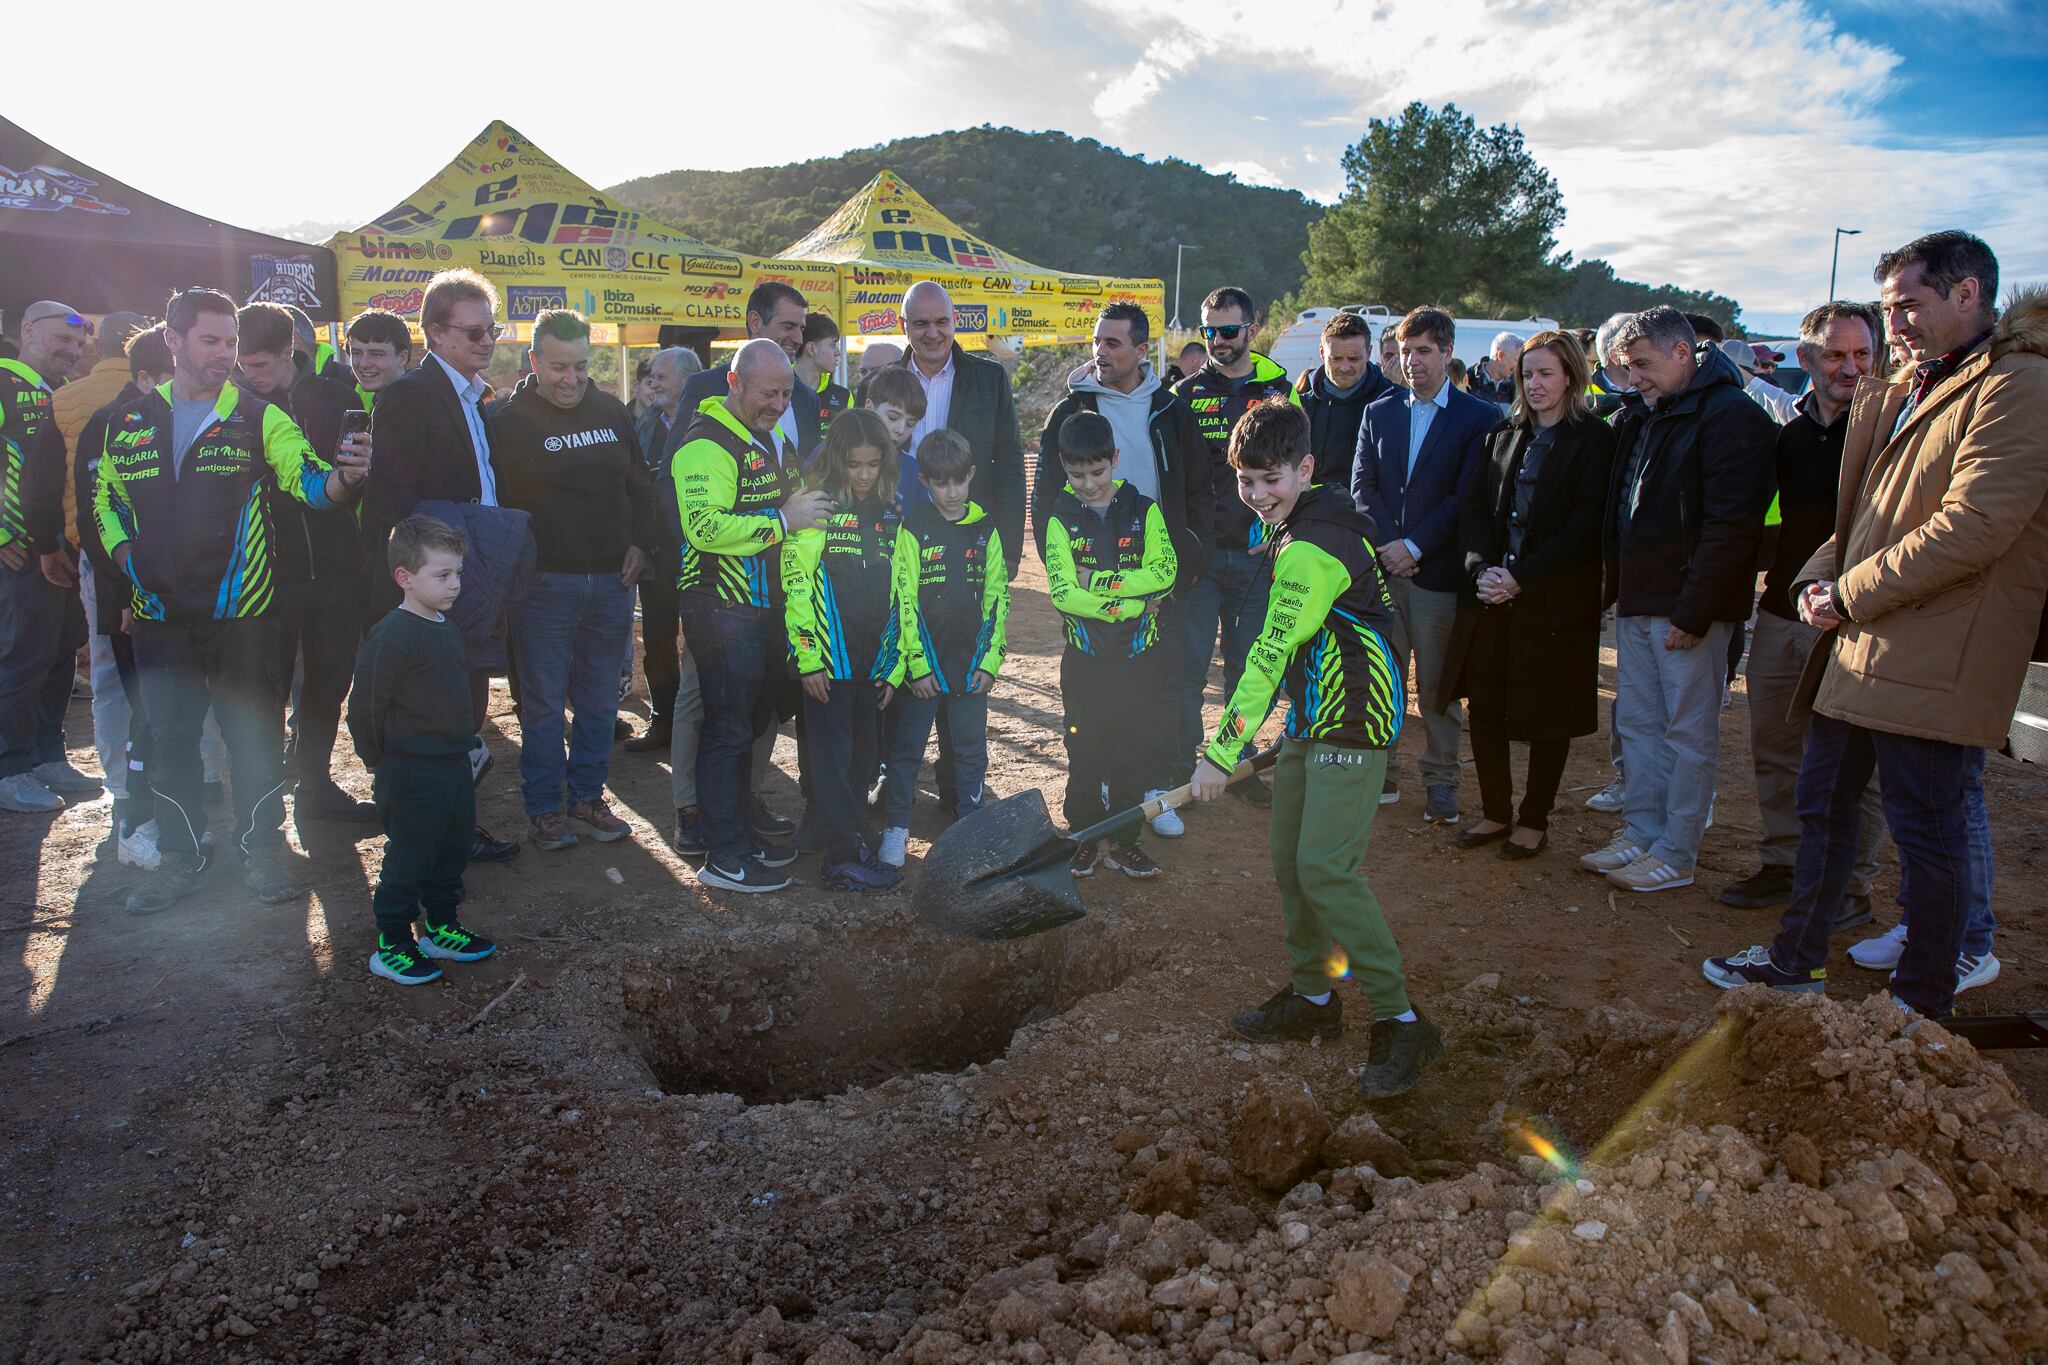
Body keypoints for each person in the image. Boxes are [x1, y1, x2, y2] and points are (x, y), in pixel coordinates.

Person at [1706, 232, 2047, 1018]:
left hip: (1938, 656)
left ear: (1968, 295)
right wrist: (1817, 579)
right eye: (1888, 305)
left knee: (1928, 834)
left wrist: (1847, 594)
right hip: (1862, 646)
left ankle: (1921, 1003)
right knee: (1823, 807)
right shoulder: (1913, 384)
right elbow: (1864, 516)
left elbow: (1975, 526)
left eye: (1907, 304)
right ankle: (1795, 961)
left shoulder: (2016, 384)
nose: (1892, 322)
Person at [1185, 399, 1438, 1099]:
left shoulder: (1312, 548)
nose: (1258, 495)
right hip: (1314, 714)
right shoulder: (1303, 521)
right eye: (1245, 480)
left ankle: (1402, 1019)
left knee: (1326, 867)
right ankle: (1313, 998)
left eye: (1271, 479)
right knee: (1290, 863)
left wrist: (1222, 752)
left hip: (1353, 720)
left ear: (1304, 468)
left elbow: (1266, 655)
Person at [93, 287, 370, 912]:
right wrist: (125, 560)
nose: (225, 355)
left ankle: (261, 853)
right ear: (173, 340)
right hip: (160, 617)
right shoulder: (127, 420)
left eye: (231, 343)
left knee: (253, 740)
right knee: (169, 742)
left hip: (243, 613)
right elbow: (107, 501)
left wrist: (345, 478)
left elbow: (307, 481)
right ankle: (180, 860)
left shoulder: (258, 415)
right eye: (210, 341)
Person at [1585, 306, 1775, 893]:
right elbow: (1625, 513)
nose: (1632, 377)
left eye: (1641, 364)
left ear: (1682, 353)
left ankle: (1676, 850)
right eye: (1624, 367)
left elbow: (1733, 527)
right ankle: (1642, 834)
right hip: (1642, 602)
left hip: (1688, 611)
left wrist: (1695, 611)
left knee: (1686, 736)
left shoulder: (1731, 417)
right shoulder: (1647, 414)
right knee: (1639, 726)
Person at [1719, 301, 1888, 921]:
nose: (1851, 367)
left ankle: (1849, 887)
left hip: (1855, 618)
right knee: (1776, 746)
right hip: (1783, 613)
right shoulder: (1788, 435)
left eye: (1862, 354)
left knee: (1849, 763)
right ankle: (1786, 864)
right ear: (1807, 359)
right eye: (1838, 355)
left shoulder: (1889, 435)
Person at [359, 269, 521, 866]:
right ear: (434, 333)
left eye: (492, 329)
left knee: (463, 711)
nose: (486, 341)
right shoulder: (409, 394)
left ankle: (453, 829)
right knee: (428, 720)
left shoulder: (475, 398)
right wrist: (418, 587)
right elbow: (390, 500)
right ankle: (422, 840)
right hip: (430, 581)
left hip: (465, 576)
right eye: (473, 331)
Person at [1034, 301, 1211, 837]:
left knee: (1160, 689)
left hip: (1158, 586)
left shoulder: (1172, 410)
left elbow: (1199, 494)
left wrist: (1178, 573)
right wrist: (1068, 569)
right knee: (1096, 699)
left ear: (1141, 349)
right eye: (1097, 341)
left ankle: (1155, 790)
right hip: (1088, 596)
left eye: (1113, 343)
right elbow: (1044, 502)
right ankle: (1102, 790)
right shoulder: (1068, 411)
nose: (1100, 352)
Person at [1439, 331, 1618, 859]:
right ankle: (1495, 811)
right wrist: (1482, 571)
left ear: (1571, 377)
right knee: (1486, 708)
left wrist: (1523, 577)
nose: (1535, 384)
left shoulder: (1596, 441)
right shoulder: (1500, 435)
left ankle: (1533, 818)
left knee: (1547, 714)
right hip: (1492, 596)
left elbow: (1586, 527)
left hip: (1555, 601)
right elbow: (1473, 513)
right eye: (1528, 373)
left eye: (1546, 373)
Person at [672, 338, 832, 891]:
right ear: (734, 383)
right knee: (726, 730)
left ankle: (737, 833)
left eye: (787, 393)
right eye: (769, 392)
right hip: (718, 607)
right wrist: (783, 521)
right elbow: (705, 529)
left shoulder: (762, 438)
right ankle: (722, 856)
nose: (779, 403)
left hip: (763, 609)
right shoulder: (703, 446)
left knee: (750, 726)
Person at [491, 309, 654, 851]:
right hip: (543, 586)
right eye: (558, 367)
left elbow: (640, 485)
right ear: (534, 361)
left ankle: (586, 797)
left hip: (611, 580)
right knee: (540, 704)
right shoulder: (507, 421)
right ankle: (544, 808)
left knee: (599, 702)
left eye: (581, 366)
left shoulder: (611, 410)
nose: (571, 379)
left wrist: (640, 543)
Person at [1352, 306, 1497, 820]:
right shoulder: (1379, 412)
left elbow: (1467, 497)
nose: (1413, 361)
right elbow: (1362, 487)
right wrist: (1391, 546)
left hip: (1436, 576)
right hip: (1384, 576)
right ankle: (1382, 773)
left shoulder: (1480, 418)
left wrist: (1413, 548)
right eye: (1406, 351)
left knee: (1437, 687)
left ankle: (1440, 781)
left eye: (1424, 351)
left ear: (1447, 353)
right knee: (1382, 679)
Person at [233, 302, 376, 823]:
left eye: (260, 365)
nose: (250, 375)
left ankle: (315, 786)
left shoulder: (336, 397)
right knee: (264, 691)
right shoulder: (234, 406)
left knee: (328, 681)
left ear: (289, 348)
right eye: (242, 365)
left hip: (335, 569)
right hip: (264, 574)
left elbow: (359, 470)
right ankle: (265, 801)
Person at [348, 515, 498, 986]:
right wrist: (381, 763)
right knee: (410, 858)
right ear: (405, 578)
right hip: (409, 771)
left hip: (452, 767)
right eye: (442, 575)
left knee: (451, 851)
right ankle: (392, 943)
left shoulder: (445, 627)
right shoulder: (391, 636)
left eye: (457, 573)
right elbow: (364, 708)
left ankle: (440, 927)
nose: (455, 584)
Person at [1171, 286, 1298, 807]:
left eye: (1227, 330)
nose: (1218, 342)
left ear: (1252, 326)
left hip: (1256, 559)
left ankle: (1239, 767)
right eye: (1209, 331)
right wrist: (1184, 548)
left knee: (1250, 668)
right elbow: (1172, 480)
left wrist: (1274, 534)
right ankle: (1183, 766)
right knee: (1188, 667)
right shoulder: (1183, 394)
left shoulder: (1278, 388)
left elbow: (1296, 473)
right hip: (1199, 562)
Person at [56, 325, 174, 865]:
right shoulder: (111, 424)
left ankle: (168, 806)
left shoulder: (195, 419)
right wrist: (122, 595)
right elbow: (98, 520)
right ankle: (130, 806)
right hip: (127, 591)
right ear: (148, 376)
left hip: (174, 591)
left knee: (166, 700)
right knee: (125, 693)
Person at [1042, 411, 1176, 877]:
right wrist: (1136, 604)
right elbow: (1064, 594)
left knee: (1133, 748)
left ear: (1115, 459)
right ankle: (1084, 837)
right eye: (1077, 474)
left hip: (1142, 659)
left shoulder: (1144, 510)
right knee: (1085, 750)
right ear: (1063, 466)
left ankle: (1125, 841)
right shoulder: (1058, 518)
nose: (1089, 484)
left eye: (1098, 472)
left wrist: (1097, 580)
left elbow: (1164, 573)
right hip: (1086, 661)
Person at [782, 409, 904, 892]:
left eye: (873, 464)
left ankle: (854, 834)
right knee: (830, 761)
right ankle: (837, 859)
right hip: (827, 666)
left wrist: (893, 665)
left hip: (871, 665)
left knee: (863, 757)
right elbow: (796, 585)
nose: (863, 474)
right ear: (838, 460)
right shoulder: (817, 509)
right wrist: (808, 658)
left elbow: (902, 595)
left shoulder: (892, 517)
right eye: (854, 464)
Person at [876, 430, 1008, 868]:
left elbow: (997, 599)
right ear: (925, 482)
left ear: (970, 475)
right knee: (907, 750)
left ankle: (969, 826)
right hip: (923, 672)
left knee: (971, 749)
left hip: (970, 668)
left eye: (958, 481)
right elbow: (904, 599)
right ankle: (896, 828)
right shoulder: (913, 529)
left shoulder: (985, 528)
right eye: (939, 483)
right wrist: (916, 668)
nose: (951, 493)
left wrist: (988, 662)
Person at [0, 299, 93, 814]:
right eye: (63, 340)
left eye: (79, 344)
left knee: (60, 652)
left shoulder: (59, 393)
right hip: (17, 557)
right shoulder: (4, 381)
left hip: (58, 551)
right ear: (29, 332)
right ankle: (9, 767)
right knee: (23, 657)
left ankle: (47, 755)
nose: (72, 351)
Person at [888, 281, 1027, 579]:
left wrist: (1010, 549)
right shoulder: (881, 383)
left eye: (941, 322)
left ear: (955, 320)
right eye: (921, 323)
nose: (933, 333)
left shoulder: (990, 379)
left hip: (970, 538)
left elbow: (1010, 466)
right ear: (903, 326)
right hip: (898, 536)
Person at [626, 345, 701, 754]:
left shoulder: (707, 421)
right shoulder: (643, 423)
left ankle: (700, 722)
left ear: (687, 381)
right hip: (656, 550)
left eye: (660, 376)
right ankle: (664, 721)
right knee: (657, 639)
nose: (652, 382)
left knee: (702, 638)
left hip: (701, 551)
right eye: (651, 375)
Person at [1296, 312, 1394, 489]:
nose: (1345, 367)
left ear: (1369, 352)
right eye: (1336, 359)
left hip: (1372, 512)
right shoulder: (1301, 406)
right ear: (1321, 352)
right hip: (1314, 509)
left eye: (1354, 359)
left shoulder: (1392, 401)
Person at [865, 365, 928, 510]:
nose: (900, 430)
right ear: (869, 408)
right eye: (893, 417)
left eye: (910, 424)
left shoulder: (913, 470)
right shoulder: (833, 452)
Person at [344, 309, 412, 415]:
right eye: (357, 353)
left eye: (376, 354)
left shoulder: (412, 409)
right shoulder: (388, 403)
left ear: (402, 358)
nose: (364, 364)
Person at [795, 312, 849, 444]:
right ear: (811, 349)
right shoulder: (781, 391)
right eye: (832, 344)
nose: (838, 352)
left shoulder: (843, 396)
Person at [1717, 338, 1800, 425]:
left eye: (1774, 366)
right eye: (1765, 364)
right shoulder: (1760, 386)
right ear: (1753, 363)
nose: (1770, 369)